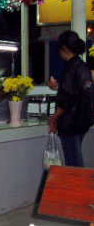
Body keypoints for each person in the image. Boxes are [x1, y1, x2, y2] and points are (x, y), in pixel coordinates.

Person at [47, 30, 94, 167]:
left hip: (71, 122)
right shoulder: (83, 66)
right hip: (83, 120)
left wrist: (54, 118)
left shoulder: (71, 67)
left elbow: (68, 98)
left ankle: (80, 188)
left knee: (74, 164)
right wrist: (60, 86)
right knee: (76, 160)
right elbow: (77, 90)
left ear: (64, 48)